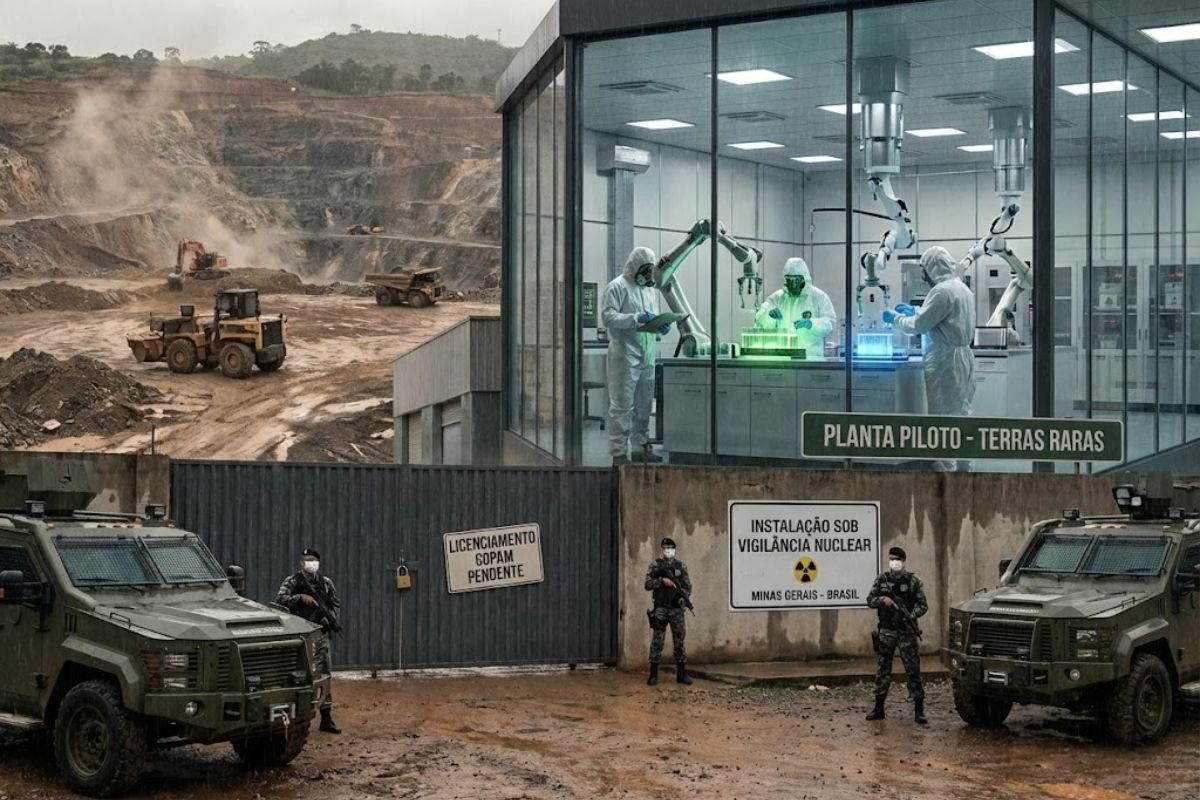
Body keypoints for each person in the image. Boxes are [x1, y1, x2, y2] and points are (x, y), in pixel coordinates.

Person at [883, 245, 976, 471]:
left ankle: (945, 471)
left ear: (933, 268)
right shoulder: (962, 289)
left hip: (945, 360)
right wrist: (913, 311)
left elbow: (918, 326)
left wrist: (894, 319)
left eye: (925, 271)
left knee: (943, 414)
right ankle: (964, 465)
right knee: (962, 411)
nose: (924, 277)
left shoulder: (941, 291)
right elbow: (939, 319)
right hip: (964, 356)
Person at [602, 246, 672, 465]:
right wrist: (637, 318)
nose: (648, 275)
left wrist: (660, 326)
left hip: (647, 355)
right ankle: (619, 454)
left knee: (643, 406)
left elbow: (650, 318)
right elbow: (608, 317)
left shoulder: (650, 290)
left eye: (650, 271)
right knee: (622, 407)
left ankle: (641, 447)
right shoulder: (617, 287)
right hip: (624, 356)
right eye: (645, 270)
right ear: (634, 267)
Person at [275, 547, 342, 734]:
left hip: (319, 636)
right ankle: (293, 719)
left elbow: (335, 604)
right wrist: (299, 598)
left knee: (324, 673)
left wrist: (330, 619)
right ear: (301, 563)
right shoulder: (293, 581)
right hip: (298, 636)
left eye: (313, 559)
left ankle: (326, 718)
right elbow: (279, 600)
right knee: (297, 676)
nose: (310, 562)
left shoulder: (326, 583)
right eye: (306, 559)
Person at [865, 546, 928, 724]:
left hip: (907, 632)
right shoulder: (882, 580)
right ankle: (878, 708)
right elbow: (870, 600)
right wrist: (883, 600)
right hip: (886, 632)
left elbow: (923, 605)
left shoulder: (913, 581)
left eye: (897, 559)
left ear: (903, 561)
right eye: (892, 559)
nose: (894, 562)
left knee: (913, 670)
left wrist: (911, 615)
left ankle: (919, 709)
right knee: (883, 670)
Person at [754, 257, 836, 360]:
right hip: (782, 358)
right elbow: (759, 323)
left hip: (811, 358)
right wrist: (768, 316)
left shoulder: (818, 297)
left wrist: (812, 324)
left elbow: (830, 324)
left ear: (804, 279)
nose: (793, 284)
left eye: (796, 280)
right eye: (789, 280)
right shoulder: (777, 298)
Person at [644, 537, 693, 686]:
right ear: (661, 549)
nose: (668, 550)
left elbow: (687, 587)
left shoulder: (681, 566)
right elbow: (647, 584)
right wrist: (661, 581)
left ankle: (681, 674)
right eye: (665, 547)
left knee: (679, 641)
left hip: (676, 609)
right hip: (661, 608)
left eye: (670, 547)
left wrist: (684, 599)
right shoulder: (655, 565)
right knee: (657, 641)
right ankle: (653, 674)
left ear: (674, 549)